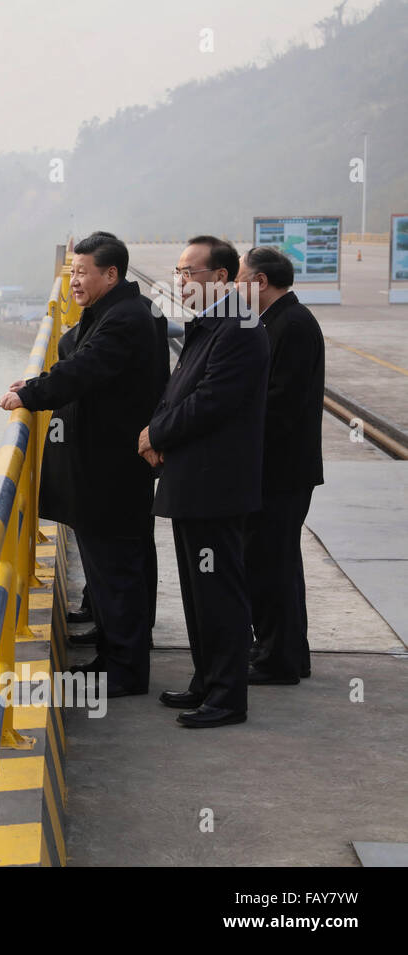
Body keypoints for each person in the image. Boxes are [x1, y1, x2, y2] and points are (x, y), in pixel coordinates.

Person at [0, 232, 165, 696]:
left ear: (110, 274)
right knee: (112, 566)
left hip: (109, 468)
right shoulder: (121, 312)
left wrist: (30, 393)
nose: (73, 279)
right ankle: (115, 650)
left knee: (117, 567)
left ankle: (126, 670)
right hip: (106, 465)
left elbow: (85, 367)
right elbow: (78, 357)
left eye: (81, 271)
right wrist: (42, 380)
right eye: (71, 270)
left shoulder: (126, 320)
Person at [138, 236, 269, 728]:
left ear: (219, 277)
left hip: (217, 485)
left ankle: (227, 698)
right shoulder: (208, 325)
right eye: (178, 271)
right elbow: (178, 390)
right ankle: (205, 680)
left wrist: (155, 433)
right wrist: (156, 429)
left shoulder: (241, 328)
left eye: (189, 272)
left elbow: (212, 401)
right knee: (197, 591)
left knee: (220, 592)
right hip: (192, 481)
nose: (180, 280)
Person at [236, 246, 324, 684]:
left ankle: (278, 660)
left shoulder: (294, 325)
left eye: (239, 278)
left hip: (283, 471)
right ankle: (286, 652)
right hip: (275, 469)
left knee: (271, 563)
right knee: (276, 563)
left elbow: (281, 403)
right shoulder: (276, 321)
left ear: (260, 282)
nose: (235, 287)